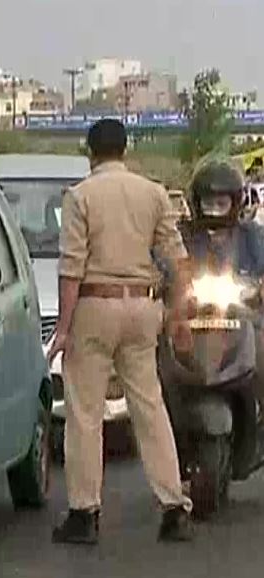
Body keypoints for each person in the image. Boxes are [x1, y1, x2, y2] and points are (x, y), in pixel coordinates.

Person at [48, 118, 194, 545]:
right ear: (125, 150)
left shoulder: (80, 197)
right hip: (143, 304)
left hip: (95, 304)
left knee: (85, 411)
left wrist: (62, 328)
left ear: (90, 152)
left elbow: (71, 268)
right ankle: (173, 506)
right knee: (149, 405)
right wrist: (178, 313)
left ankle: (84, 511)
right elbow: (177, 259)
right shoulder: (152, 193)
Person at [186, 161, 264, 402]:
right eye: (208, 203)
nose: (214, 210)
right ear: (196, 204)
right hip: (192, 317)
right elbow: (165, 265)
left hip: (246, 316)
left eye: (221, 203)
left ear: (236, 202)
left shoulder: (251, 234)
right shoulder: (183, 235)